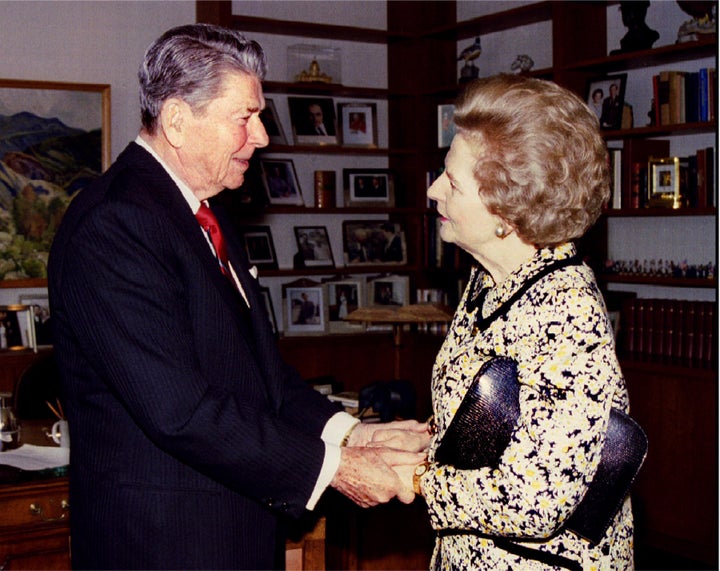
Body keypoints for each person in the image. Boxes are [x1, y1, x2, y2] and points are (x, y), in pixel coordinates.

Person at [48, 24, 427, 570]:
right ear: (178, 120)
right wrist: (336, 468)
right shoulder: (115, 224)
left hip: (230, 536)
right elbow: (181, 411)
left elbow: (259, 376)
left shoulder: (205, 214)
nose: (263, 137)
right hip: (164, 548)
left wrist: (355, 432)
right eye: (244, 118)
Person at [401, 74, 633, 569]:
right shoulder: (491, 277)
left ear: (508, 208)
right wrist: (425, 440)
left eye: (452, 181)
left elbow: (536, 497)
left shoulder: (567, 313)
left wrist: (416, 480)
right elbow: (498, 419)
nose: (434, 190)